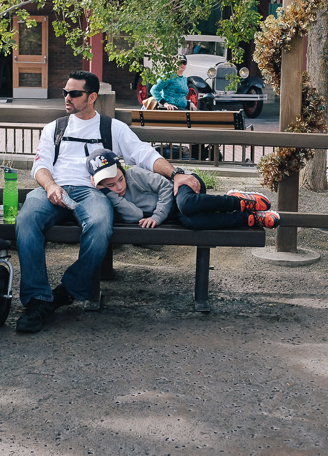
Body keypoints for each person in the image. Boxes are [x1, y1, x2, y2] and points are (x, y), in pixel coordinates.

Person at [14, 70, 202, 333]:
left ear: (91, 97)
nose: (67, 97)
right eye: (65, 92)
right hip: (52, 189)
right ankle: (37, 300)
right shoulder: (54, 128)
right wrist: (51, 186)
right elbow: (40, 166)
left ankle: (68, 290)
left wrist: (176, 174)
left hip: (91, 192)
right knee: (25, 220)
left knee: (101, 224)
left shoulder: (111, 128)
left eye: (74, 93)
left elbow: (143, 154)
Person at [86, 148, 280, 230]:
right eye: (110, 185)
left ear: (122, 169)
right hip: (172, 211)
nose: (119, 186)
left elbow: (164, 187)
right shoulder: (110, 197)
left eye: (120, 178)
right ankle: (250, 219)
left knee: (187, 205)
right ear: (100, 186)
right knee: (193, 223)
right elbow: (135, 215)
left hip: (183, 185)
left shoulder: (135, 175)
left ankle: (238, 200)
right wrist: (110, 195)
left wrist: (156, 217)